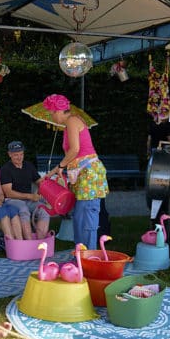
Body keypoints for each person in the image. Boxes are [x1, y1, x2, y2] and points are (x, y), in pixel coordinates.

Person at [42, 94, 109, 250]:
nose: (52, 116)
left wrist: (60, 167)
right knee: (79, 216)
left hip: (89, 174)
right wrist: (53, 172)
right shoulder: (69, 124)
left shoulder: (72, 121)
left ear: (58, 110)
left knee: (86, 217)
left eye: (52, 113)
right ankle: (81, 255)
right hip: (83, 174)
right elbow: (72, 155)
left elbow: (74, 150)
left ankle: (88, 258)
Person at [0, 141, 50, 240]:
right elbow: (8, 193)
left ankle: (40, 242)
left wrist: (48, 191)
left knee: (44, 210)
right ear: (9, 154)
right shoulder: (5, 169)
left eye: (21, 154)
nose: (19, 157)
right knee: (24, 209)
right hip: (11, 200)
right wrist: (30, 196)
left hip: (28, 200)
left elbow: (39, 182)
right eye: (16, 155)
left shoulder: (28, 165)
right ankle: (29, 242)